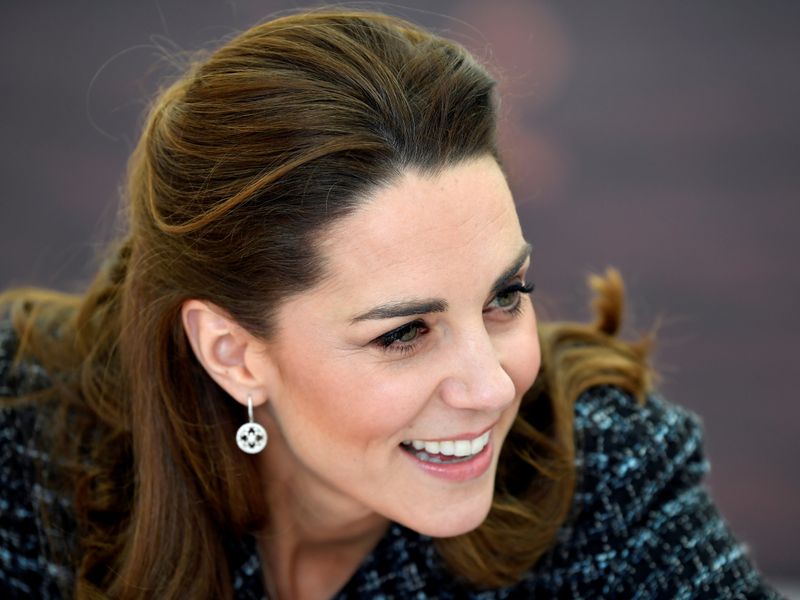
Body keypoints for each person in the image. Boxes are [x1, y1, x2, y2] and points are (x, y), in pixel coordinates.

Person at [0, 9, 784, 600]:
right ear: (232, 351)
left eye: (506, 298)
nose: (491, 386)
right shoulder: (22, 443)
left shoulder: (605, 476)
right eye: (406, 332)